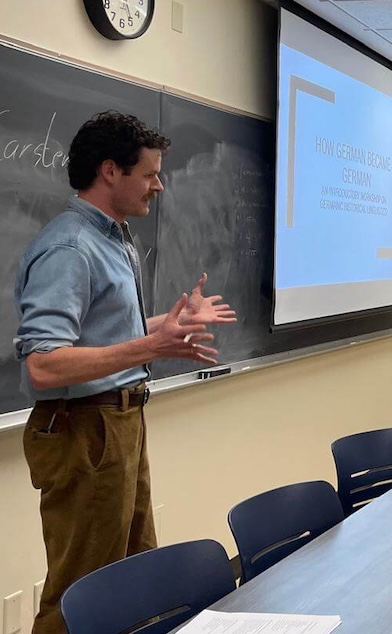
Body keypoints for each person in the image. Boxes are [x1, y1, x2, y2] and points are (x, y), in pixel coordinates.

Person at [14, 111, 236, 634]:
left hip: (121, 423)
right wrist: (150, 344)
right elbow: (43, 363)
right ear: (110, 170)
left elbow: (106, 336)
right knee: (83, 593)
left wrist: (170, 324)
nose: (159, 186)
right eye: (150, 174)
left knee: (135, 577)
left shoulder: (114, 238)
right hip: (84, 431)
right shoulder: (70, 247)